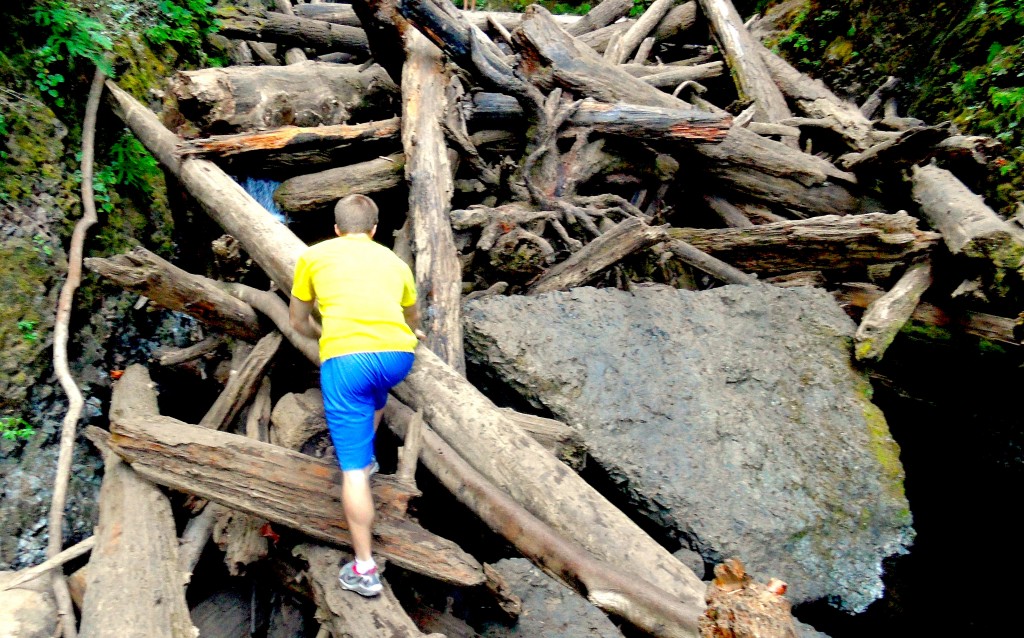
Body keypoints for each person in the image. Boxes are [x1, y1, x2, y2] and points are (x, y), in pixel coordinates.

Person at [289, 193, 422, 597]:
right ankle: (370, 463)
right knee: (375, 393)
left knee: (348, 468)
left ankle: (364, 568)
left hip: (347, 361)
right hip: (398, 356)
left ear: (335, 228)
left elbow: (298, 321)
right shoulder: (396, 263)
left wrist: (324, 335)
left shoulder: (313, 256)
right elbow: (411, 319)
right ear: (375, 229)